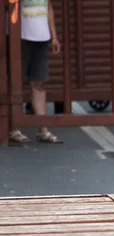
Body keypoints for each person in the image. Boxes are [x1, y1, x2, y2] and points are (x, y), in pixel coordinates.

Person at [8, 0, 62, 144]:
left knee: (39, 82)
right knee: (15, 82)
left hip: (42, 36)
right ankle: (14, 128)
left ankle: (42, 130)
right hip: (20, 36)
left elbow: (49, 8)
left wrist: (54, 36)